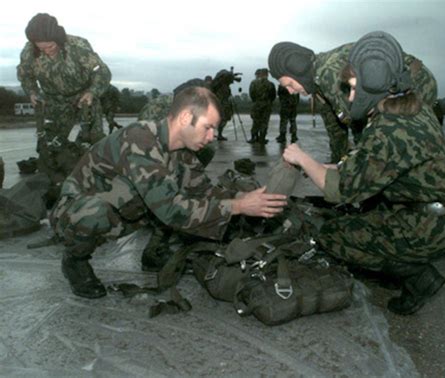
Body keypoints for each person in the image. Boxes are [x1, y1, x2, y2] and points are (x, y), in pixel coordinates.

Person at [282, 31, 445, 315]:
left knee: (331, 234)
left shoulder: (388, 130)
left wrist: (302, 159)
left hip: (430, 228)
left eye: (354, 88)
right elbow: (372, 164)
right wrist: (336, 167)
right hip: (442, 214)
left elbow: (340, 190)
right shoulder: (409, 109)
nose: (350, 96)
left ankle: (416, 275)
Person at [50, 86, 287, 299]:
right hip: (76, 211)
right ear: (185, 118)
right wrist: (238, 207)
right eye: (208, 127)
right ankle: (75, 260)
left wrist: (243, 198)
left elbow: (203, 191)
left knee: (178, 200)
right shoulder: (140, 139)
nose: (212, 137)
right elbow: (170, 210)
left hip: (126, 209)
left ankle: (154, 253)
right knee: (103, 212)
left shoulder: (181, 152)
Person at [268, 37, 438, 163]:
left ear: (298, 71)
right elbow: (336, 131)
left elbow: (362, 125)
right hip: (395, 92)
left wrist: (352, 175)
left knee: (399, 150)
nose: (290, 92)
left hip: (415, 84)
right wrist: (338, 165)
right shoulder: (318, 86)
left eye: (289, 84)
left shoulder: (328, 74)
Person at [17, 13, 111, 200]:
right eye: (41, 48)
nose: (47, 51)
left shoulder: (78, 47)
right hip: (54, 101)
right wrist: (33, 92)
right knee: (50, 143)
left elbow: (102, 72)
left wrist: (92, 92)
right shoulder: (29, 51)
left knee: (94, 141)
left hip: (84, 98)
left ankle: (97, 184)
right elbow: (25, 75)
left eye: (51, 46)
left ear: (58, 39)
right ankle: (55, 181)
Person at [248, 68, 276, 144]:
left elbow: (251, 94)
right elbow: (273, 96)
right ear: (267, 74)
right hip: (266, 105)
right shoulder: (270, 84)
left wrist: (256, 101)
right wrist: (267, 102)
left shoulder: (253, 83)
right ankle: (262, 138)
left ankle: (253, 138)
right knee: (264, 122)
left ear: (260, 74)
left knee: (255, 122)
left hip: (256, 105)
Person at [210, 69, 240, 141]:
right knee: (221, 120)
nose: (231, 82)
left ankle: (219, 134)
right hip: (221, 105)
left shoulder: (224, 86)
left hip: (223, 105)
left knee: (223, 120)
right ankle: (216, 134)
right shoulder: (219, 85)